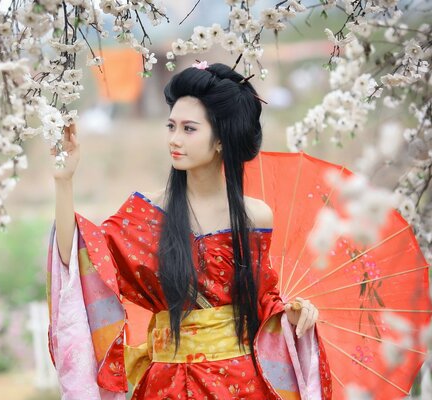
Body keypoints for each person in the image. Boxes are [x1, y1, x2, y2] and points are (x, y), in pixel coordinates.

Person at [47, 62, 332, 400]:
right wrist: (63, 183)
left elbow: (260, 299)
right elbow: (81, 262)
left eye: (189, 129)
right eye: (171, 126)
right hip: (166, 384)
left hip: (241, 385)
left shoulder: (255, 215)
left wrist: (291, 313)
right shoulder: (147, 213)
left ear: (221, 140)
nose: (174, 139)